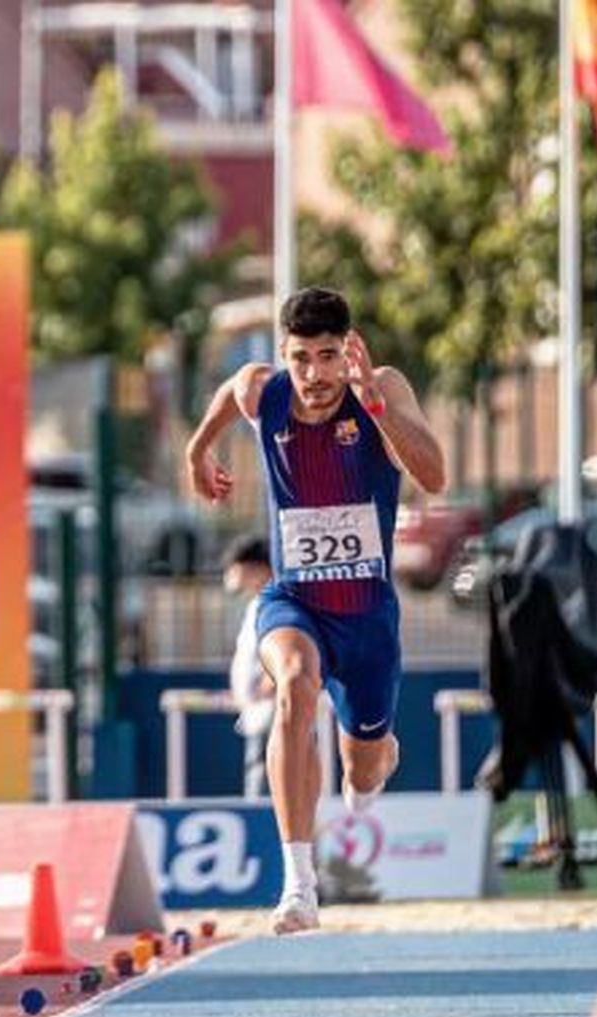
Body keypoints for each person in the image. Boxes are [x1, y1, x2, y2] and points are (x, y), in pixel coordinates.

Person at [184, 287, 445, 934]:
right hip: (294, 599)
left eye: (329, 358)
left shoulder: (378, 388)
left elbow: (435, 476)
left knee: (366, 764)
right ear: (285, 355)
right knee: (295, 686)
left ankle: (375, 758)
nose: (316, 376)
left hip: (367, 619)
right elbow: (227, 396)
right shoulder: (261, 391)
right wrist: (198, 453)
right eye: (302, 359)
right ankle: (299, 888)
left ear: (348, 351)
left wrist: (380, 409)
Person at [222, 534, 275, 799]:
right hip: (257, 709)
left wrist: (273, 681)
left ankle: (271, 833)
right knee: (258, 772)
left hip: (273, 709)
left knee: (268, 777)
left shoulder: (277, 601)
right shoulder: (258, 603)